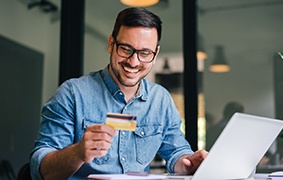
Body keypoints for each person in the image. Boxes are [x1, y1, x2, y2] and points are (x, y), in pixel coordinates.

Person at [30, 7, 207, 180]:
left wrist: (189, 163)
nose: (133, 61)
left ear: (155, 53)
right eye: (126, 49)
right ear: (111, 44)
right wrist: (78, 153)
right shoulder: (72, 94)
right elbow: (41, 170)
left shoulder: (160, 99)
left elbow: (176, 151)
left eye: (144, 53)